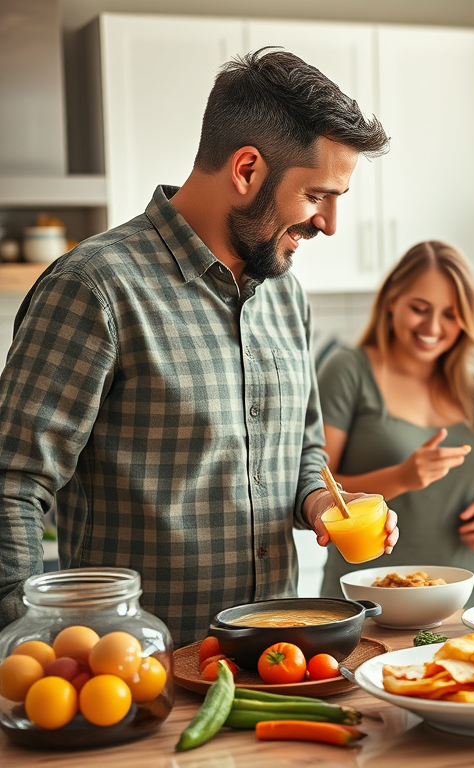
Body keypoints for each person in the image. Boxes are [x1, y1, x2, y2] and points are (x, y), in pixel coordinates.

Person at [0, 48, 399, 644]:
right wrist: (27, 643)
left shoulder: (285, 296)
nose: (330, 223)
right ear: (246, 170)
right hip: (138, 677)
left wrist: (321, 503)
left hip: (276, 664)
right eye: (318, 195)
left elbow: (304, 450)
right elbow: (13, 482)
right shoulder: (96, 287)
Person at [317, 241, 474, 605]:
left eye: (451, 313)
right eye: (420, 308)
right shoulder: (348, 371)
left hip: (460, 601)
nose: (433, 326)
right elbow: (318, 483)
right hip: (366, 598)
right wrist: (401, 478)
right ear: (392, 299)